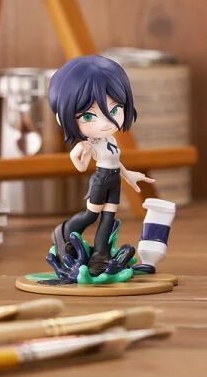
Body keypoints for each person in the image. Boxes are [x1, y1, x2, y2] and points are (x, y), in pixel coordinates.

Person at [48, 55, 155, 276]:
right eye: (88, 116)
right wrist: (83, 155)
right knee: (91, 214)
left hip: (114, 180)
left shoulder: (111, 140)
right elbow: (79, 165)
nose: (106, 123)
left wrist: (129, 175)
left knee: (109, 217)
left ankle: (100, 256)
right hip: (100, 180)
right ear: (63, 117)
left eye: (114, 110)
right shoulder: (88, 144)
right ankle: (64, 231)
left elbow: (115, 161)